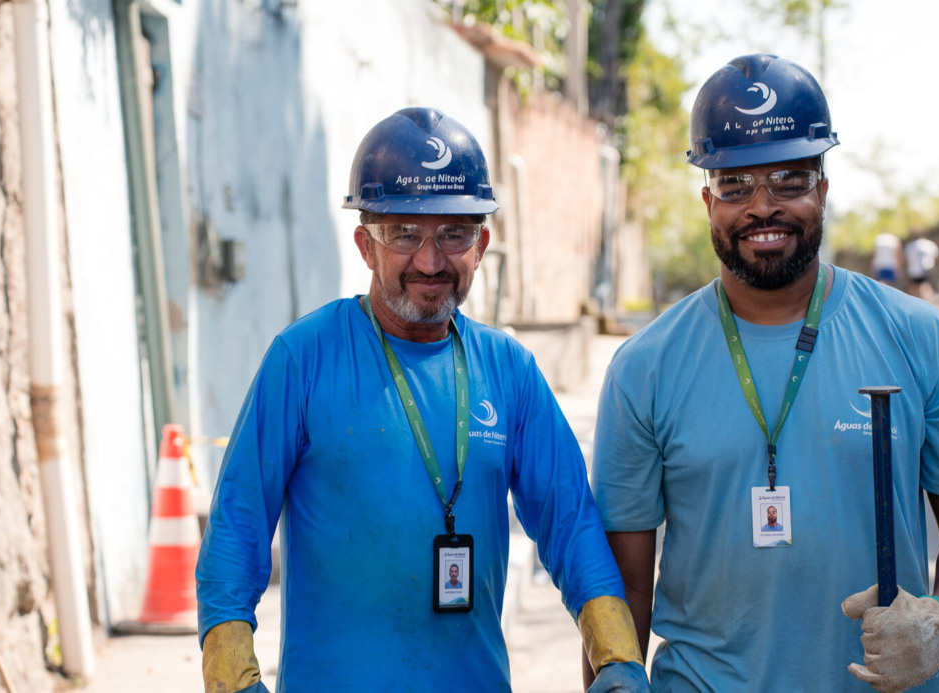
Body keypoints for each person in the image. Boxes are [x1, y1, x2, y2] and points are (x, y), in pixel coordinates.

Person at [591, 55, 939, 693]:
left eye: (789, 179)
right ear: (708, 201)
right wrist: (614, 674)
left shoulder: (918, 336)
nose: (763, 208)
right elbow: (622, 579)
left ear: (822, 188)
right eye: (735, 185)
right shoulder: (646, 366)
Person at [197, 107, 649, 693]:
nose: (431, 262)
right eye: (404, 234)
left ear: (482, 243)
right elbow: (238, 526)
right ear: (366, 244)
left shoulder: (508, 369)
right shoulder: (303, 358)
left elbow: (570, 522)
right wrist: (231, 676)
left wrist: (617, 656)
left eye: (453, 234)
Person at [905, 235, 939, 303]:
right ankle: (928, 303)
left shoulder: (910, 245)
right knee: (925, 287)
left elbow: (907, 258)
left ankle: (911, 304)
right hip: (926, 268)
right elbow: (936, 255)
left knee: (914, 288)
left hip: (913, 269)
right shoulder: (929, 244)